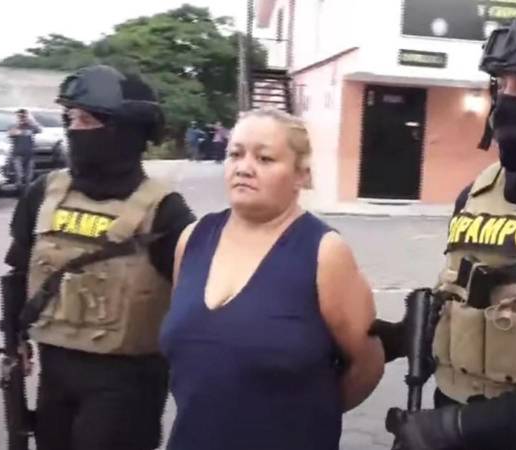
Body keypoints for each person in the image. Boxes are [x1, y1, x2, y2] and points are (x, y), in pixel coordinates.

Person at [159, 108, 385, 450]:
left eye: (264, 158)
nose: (244, 167)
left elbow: (367, 364)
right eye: (235, 154)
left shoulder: (324, 252)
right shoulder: (193, 239)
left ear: (301, 175)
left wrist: (308, 416)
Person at [381, 9, 516, 450]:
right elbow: (461, 293)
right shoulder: (476, 194)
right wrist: (400, 337)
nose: (508, 99)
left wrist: (455, 428)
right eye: (502, 83)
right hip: (452, 413)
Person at [3, 64, 195, 450]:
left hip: (129, 384)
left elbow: (196, 300)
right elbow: (19, 269)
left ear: (127, 131)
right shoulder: (45, 193)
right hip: (55, 375)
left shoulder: (163, 210)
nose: (74, 129)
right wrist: (13, 341)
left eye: (87, 120)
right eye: (70, 118)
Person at [8, 108, 41, 193]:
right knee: (19, 174)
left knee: (29, 175)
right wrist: (18, 124)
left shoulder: (31, 126)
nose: (22, 118)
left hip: (29, 153)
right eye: (20, 116)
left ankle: (27, 191)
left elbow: (39, 130)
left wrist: (30, 120)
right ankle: (19, 189)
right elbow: (11, 133)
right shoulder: (14, 125)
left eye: (24, 116)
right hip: (17, 153)